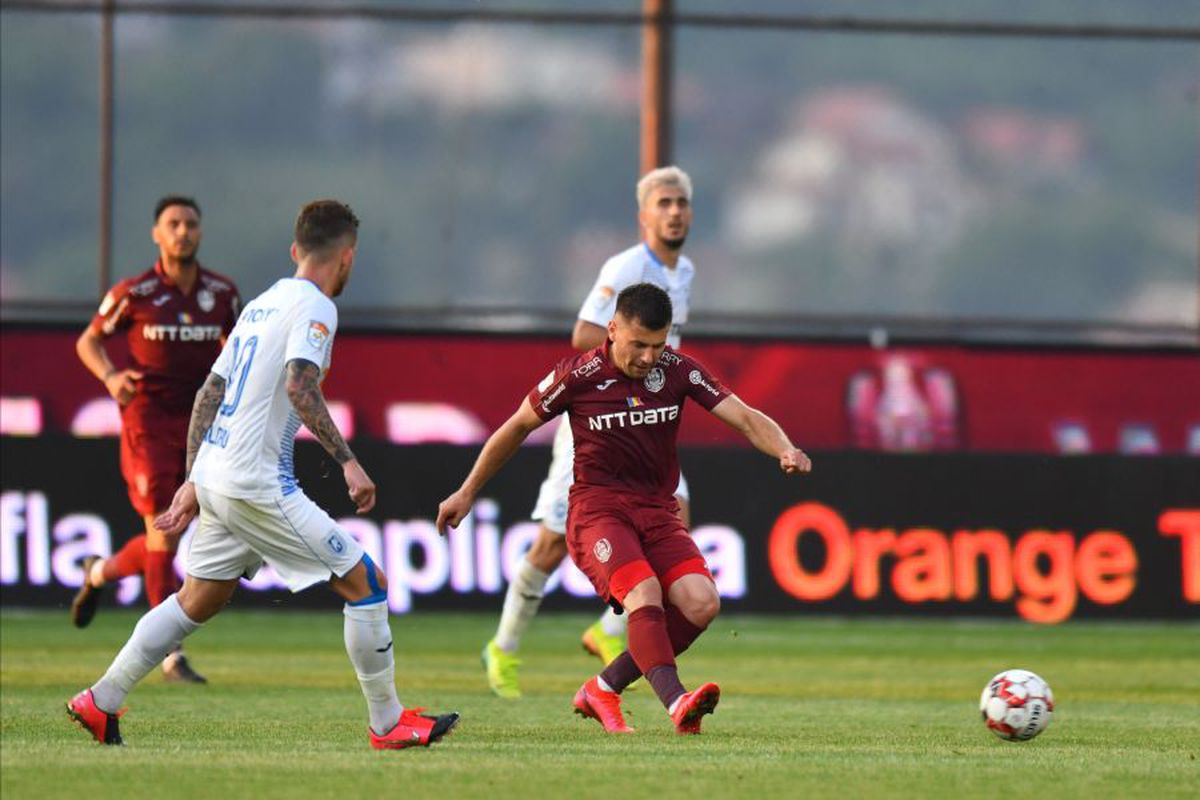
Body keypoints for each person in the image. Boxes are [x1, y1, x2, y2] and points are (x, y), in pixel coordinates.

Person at [66, 199, 459, 749]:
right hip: (256, 481)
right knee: (366, 583)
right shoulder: (316, 307)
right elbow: (300, 386)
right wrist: (347, 461)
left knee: (197, 599)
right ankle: (388, 722)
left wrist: (194, 478)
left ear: (296, 250)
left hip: (218, 475)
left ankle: (100, 700)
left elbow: (210, 393)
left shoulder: (260, 303)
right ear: (347, 257)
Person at [439, 283, 811, 734]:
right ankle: (676, 701)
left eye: (658, 345)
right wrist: (467, 491)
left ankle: (602, 688)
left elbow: (746, 417)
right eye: (639, 344)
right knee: (644, 593)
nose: (649, 357)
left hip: (657, 510)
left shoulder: (677, 370)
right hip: (599, 512)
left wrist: (785, 448)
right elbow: (517, 426)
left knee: (701, 603)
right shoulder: (578, 376)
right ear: (612, 329)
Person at [481, 165, 698, 699]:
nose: (674, 212)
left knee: (676, 516)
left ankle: (609, 630)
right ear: (644, 215)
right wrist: (629, 365)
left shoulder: (686, 271)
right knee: (552, 543)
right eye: (664, 203)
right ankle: (503, 647)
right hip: (598, 423)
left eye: (681, 203)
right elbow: (583, 333)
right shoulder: (626, 266)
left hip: (646, 425)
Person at [71, 195, 241, 684]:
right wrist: (110, 376)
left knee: (166, 535)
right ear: (157, 234)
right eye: (174, 224)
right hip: (147, 421)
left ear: (200, 232)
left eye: (191, 223)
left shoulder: (222, 293)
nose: (183, 232)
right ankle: (171, 656)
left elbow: (238, 348)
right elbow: (88, 340)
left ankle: (99, 572)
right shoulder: (135, 292)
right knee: (163, 530)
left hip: (200, 424)